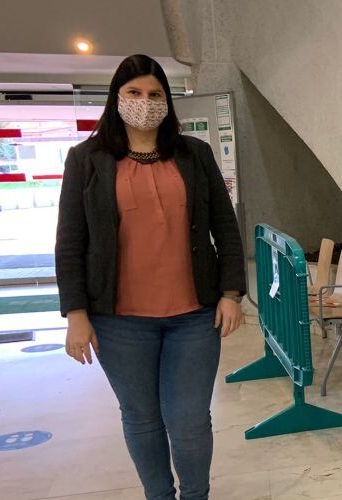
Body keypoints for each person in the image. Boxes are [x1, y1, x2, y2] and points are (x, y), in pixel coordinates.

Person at [55, 54, 246, 500]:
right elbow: (69, 242)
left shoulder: (194, 154)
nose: (146, 102)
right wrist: (75, 314)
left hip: (194, 316)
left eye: (155, 94)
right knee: (141, 416)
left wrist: (232, 291)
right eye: (134, 93)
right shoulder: (86, 159)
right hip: (118, 320)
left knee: (189, 418)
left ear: (168, 100)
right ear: (115, 99)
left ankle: (195, 495)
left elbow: (225, 225)